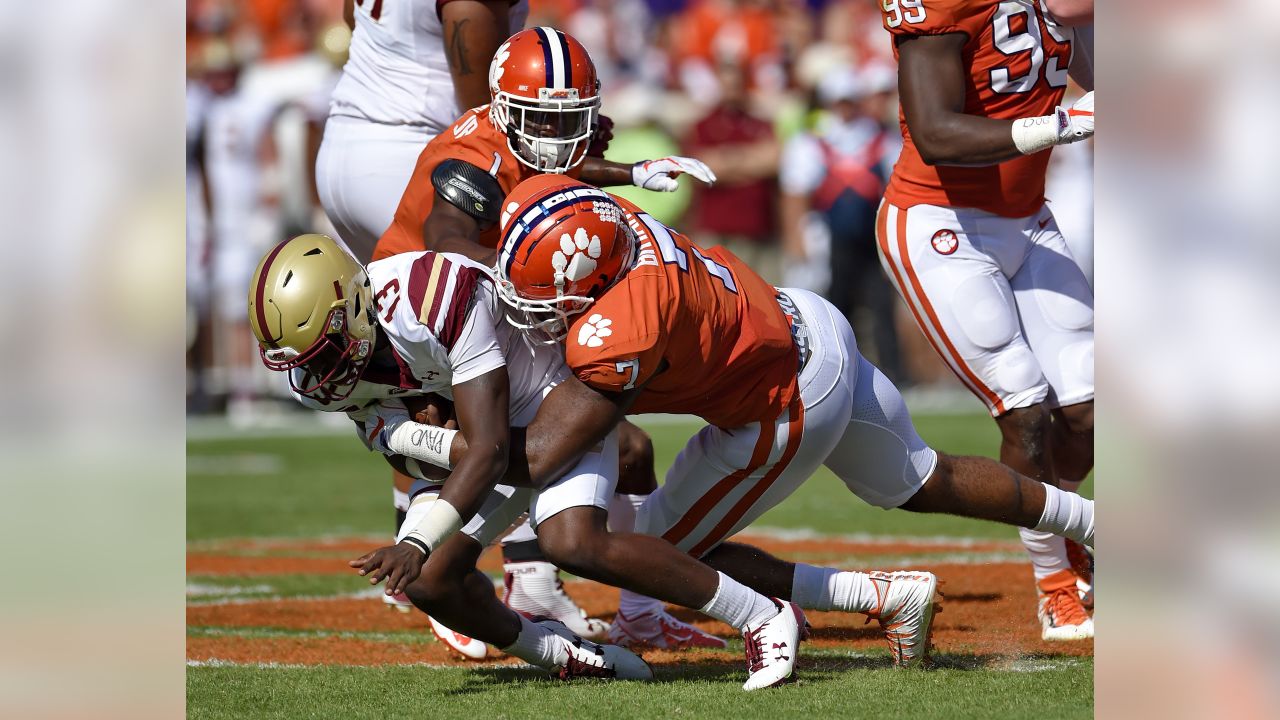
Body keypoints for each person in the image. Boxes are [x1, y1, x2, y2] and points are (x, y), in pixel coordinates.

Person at [483, 175, 1096, 665]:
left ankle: (881, 596)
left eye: (545, 302)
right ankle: (1095, 522)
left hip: (783, 400)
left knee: (651, 550)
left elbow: (542, 453)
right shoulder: (605, 218)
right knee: (922, 479)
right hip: (807, 320)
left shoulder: (622, 325)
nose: (535, 314)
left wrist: (415, 439)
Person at [249, 234, 805, 690]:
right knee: (432, 585)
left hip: (556, 395)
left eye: (325, 350)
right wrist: (420, 443)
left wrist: (415, 534)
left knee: (573, 541)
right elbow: (426, 459)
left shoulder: (431, 299)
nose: (319, 374)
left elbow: (487, 450)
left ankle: (759, 614)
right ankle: (565, 655)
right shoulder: (320, 377)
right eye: (306, 360)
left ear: (357, 303)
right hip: (490, 432)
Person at [374, 26, 731, 651]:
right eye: (540, 120)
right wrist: (521, 272)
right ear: (502, 109)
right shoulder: (465, 155)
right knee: (477, 448)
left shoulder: (527, 133)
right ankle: (439, 580)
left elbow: (547, 156)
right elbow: (446, 239)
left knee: (627, 453)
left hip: (495, 308)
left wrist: (631, 171)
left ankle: (561, 590)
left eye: (569, 121)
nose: (558, 138)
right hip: (430, 321)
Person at [311, 4, 609, 640]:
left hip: (348, 139)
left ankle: (422, 548)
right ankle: (519, 572)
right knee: (507, 351)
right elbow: (498, 121)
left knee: (420, 363)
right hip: (412, 146)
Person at [875, 0, 1096, 640]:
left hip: (1028, 219)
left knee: (1087, 408)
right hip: (939, 222)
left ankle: (1068, 527)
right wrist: (1058, 125)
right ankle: (1055, 587)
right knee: (1024, 408)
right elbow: (937, 131)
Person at [779, 64, 907, 384]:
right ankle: (836, 372)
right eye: (839, 101)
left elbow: (896, 185)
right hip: (829, 236)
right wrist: (797, 238)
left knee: (881, 305)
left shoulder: (879, 137)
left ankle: (894, 372)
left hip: (870, 236)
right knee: (834, 305)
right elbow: (796, 192)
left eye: (850, 100)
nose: (845, 107)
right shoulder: (812, 141)